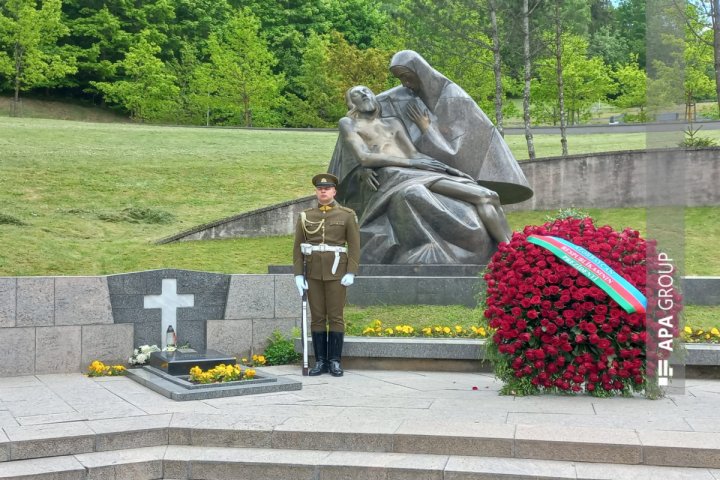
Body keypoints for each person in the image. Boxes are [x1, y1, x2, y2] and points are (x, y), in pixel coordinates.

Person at [337, 85, 512, 246]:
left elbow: (414, 154)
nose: (364, 94)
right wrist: (410, 163)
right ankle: (508, 251)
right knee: (483, 196)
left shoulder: (393, 122)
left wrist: (448, 170)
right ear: (352, 103)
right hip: (395, 176)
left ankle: (513, 247)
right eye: (357, 94)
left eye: (367, 91)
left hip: (414, 172)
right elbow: (364, 157)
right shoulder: (348, 123)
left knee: (491, 195)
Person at [377, 50, 533, 205]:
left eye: (405, 76)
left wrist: (426, 128)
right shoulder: (413, 93)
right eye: (400, 78)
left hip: (463, 178)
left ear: (419, 72)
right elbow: (382, 99)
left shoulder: (454, 97)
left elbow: (457, 155)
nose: (405, 84)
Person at [293, 173, 360, 376]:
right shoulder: (306, 216)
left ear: (334, 191)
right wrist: (298, 274)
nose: (323, 191)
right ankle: (320, 361)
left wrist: (351, 272)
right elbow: (297, 247)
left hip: (337, 272)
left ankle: (335, 361)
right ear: (316, 191)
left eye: (327, 188)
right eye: (320, 188)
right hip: (312, 272)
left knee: (336, 316)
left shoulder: (347, 215)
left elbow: (355, 246)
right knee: (318, 318)